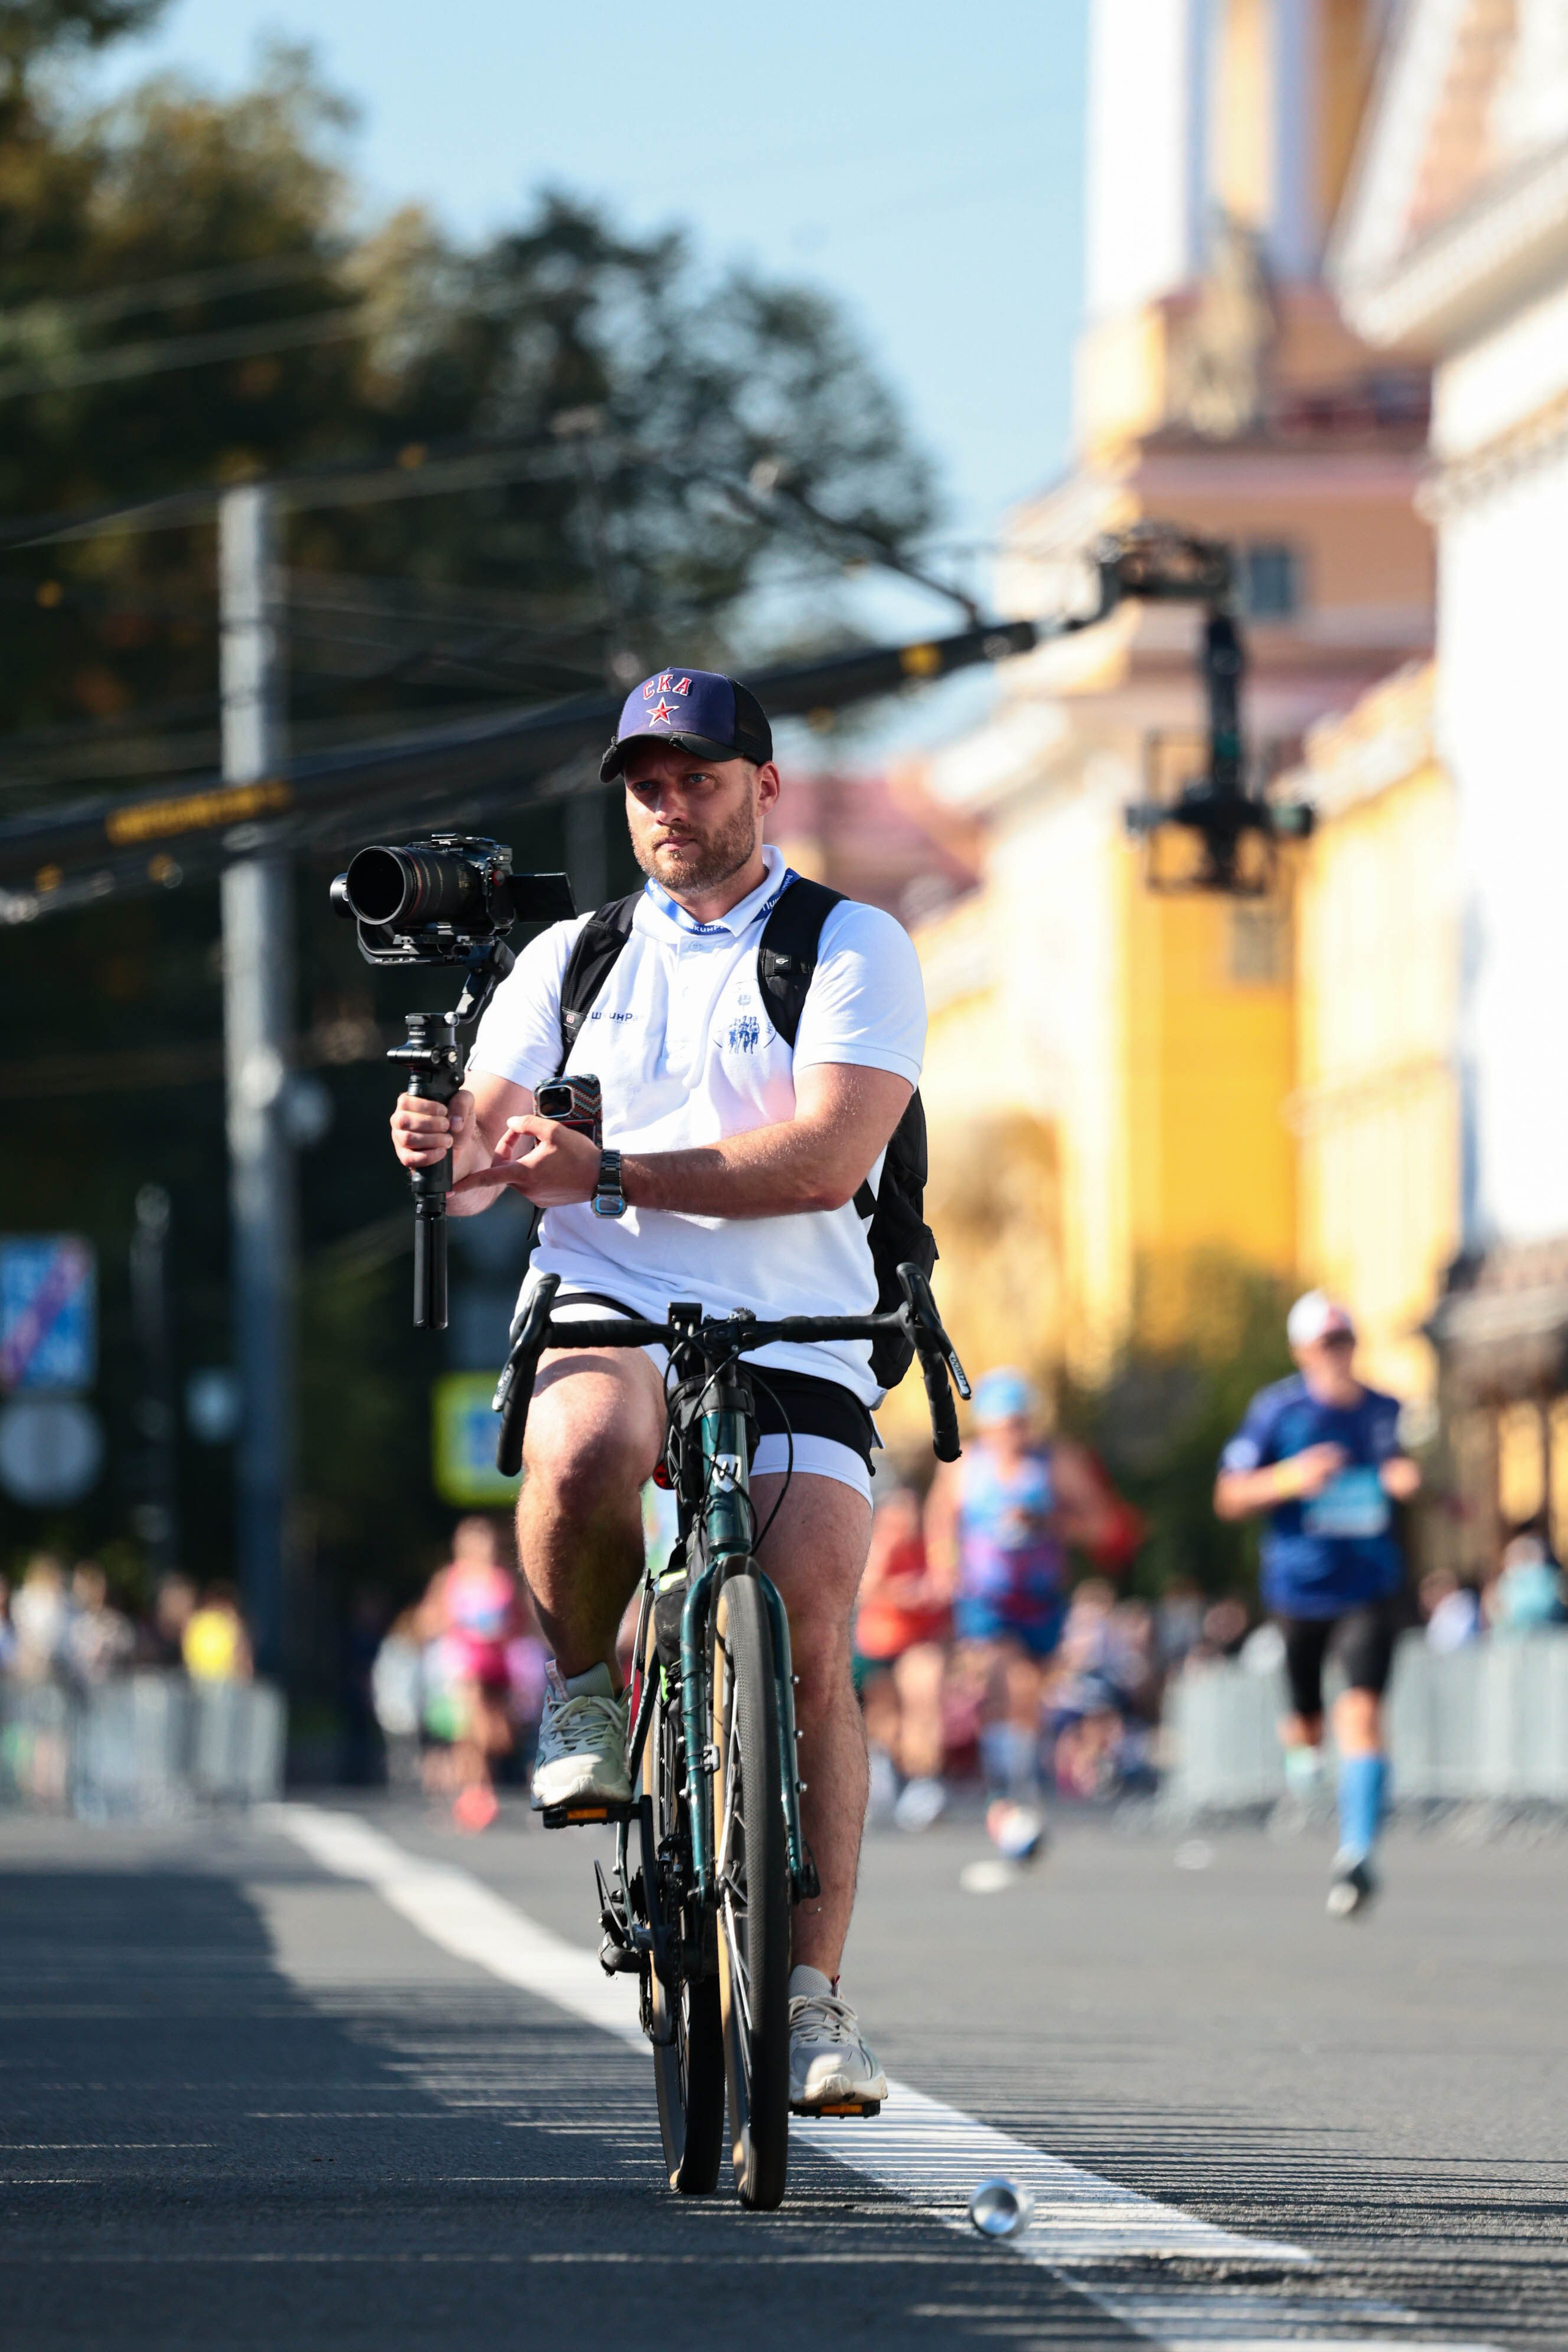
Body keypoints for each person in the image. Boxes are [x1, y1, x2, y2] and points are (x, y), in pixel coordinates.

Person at [390, 666, 926, 2113]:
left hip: (800, 1312)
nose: (668, 802)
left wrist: (609, 1168)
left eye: (695, 775)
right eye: (644, 780)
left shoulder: (848, 941)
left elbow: (822, 1159)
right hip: (610, 1294)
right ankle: (578, 1697)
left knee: (809, 1601)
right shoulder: (568, 956)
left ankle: (811, 2000)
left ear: (763, 786)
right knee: (581, 1448)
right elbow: (492, 1147)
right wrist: (439, 1138)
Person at [1214, 1291, 1420, 1917]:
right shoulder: (1276, 1412)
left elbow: (1410, 1472)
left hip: (1369, 1586)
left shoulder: (1386, 1409)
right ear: (1302, 1352)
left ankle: (1356, 1852)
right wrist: (1289, 1478)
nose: (1336, 1355)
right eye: (1324, 1344)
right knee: (1306, 1724)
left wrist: (1405, 1480)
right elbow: (1228, 1496)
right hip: (1298, 1590)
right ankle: (1303, 1751)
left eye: (1344, 1341)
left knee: (1360, 1716)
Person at [924, 1368, 1123, 1849]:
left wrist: (1048, 1521)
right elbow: (939, 1519)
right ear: (987, 1426)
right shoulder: (963, 1465)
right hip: (986, 1599)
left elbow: (1100, 1525)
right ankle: (1007, 1794)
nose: (1014, 1433)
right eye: (1004, 1424)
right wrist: (945, 1567)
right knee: (1004, 1680)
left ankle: (1018, 1782)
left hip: (1039, 1599)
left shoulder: (1056, 1463)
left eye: (1020, 1423)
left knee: (1029, 1691)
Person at [853, 1482, 951, 1830]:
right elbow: (868, 1587)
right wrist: (907, 1592)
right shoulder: (880, 1541)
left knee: (924, 1697)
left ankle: (925, 1782)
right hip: (879, 1642)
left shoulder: (934, 1543)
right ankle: (886, 1777)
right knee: (885, 1717)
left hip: (919, 1640)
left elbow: (946, 1582)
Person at [181, 1585, 253, 1684]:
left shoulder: (232, 1625)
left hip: (228, 1682)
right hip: (202, 1681)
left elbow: (245, 1663)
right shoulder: (198, 1623)